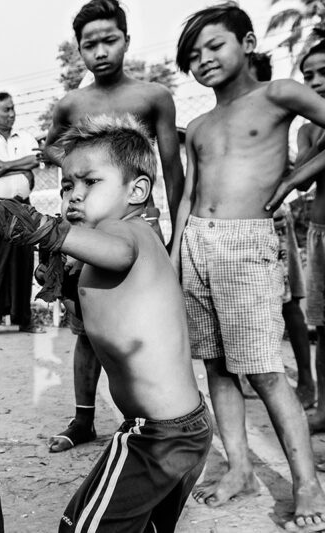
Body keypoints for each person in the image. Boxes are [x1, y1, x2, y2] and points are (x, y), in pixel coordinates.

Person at [0, 114, 211, 532]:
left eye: (91, 182)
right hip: (181, 428)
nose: (73, 194)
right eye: (68, 184)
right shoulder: (103, 242)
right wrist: (62, 279)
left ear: (137, 190)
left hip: (157, 437)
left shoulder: (131, 233)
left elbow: (119, 253)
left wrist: (45, 232)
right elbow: (102, 309)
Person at [173, 4, 325, 528]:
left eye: (214, 46)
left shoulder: (279, 93)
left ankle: (307, 482)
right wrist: (176, 257)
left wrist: (294, 177)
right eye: (194, 56)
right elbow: (189, 194)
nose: (204, 60)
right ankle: (240, 467)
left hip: (247, 244)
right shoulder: (197, 125)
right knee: (214, 365)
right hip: (198, 244)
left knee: (263, 369)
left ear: (248, 40)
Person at [40, 0, 185, 453]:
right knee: (87, 327)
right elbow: (51, 151)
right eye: (89, 44)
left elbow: (170, 169)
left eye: (109, 40)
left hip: (141, 224)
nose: (100, 51)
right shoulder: (72, 104)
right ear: (78, 51)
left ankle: (151, 419)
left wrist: (177, 240)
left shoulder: (152, 97)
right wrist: (80, 185)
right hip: (87, 230)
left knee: (143, 324)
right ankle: (84, 419)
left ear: (126, 40)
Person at [240, 51, 315, 408]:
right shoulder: (299, 127)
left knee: (289, 308)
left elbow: (292, 177)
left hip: (274, 220)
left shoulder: (281, 113)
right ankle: (255, 372)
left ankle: (306, 381)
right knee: (248, 303)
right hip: (242, 224)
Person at [0, 92, 45, 338]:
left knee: (23, 260)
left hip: (22, 204)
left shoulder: (25, 136)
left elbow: (37, 159)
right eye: (6, 110)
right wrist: (21, 165)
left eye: (13, 108)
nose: (12, 113)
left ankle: (23, 319)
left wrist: (5, 165)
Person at [289, 40, 325, 430]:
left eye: (323, 71)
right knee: (323, 327)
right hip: (319, 233)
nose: (316, 81)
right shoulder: (307, 128)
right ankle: (323, 409)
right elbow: (302, 179)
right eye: (309, 75)